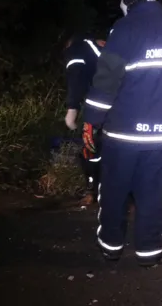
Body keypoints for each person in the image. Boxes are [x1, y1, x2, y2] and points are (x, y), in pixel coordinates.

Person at [81, 0, 162, 266]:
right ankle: (150, 252)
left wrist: (91, 121)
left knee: (115, 192)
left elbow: (105, 82)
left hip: (122, 135)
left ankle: (110, 246)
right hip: (160, 135)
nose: (119, 1)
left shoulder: (124, 30)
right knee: (151, 196)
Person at [63, 29, 107, 206]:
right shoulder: (101, 48)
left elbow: (76, 77)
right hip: (123, 108)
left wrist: (72, 108)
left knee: (90, 149)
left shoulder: (76, 49)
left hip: (97, 108)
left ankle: (92, 191)